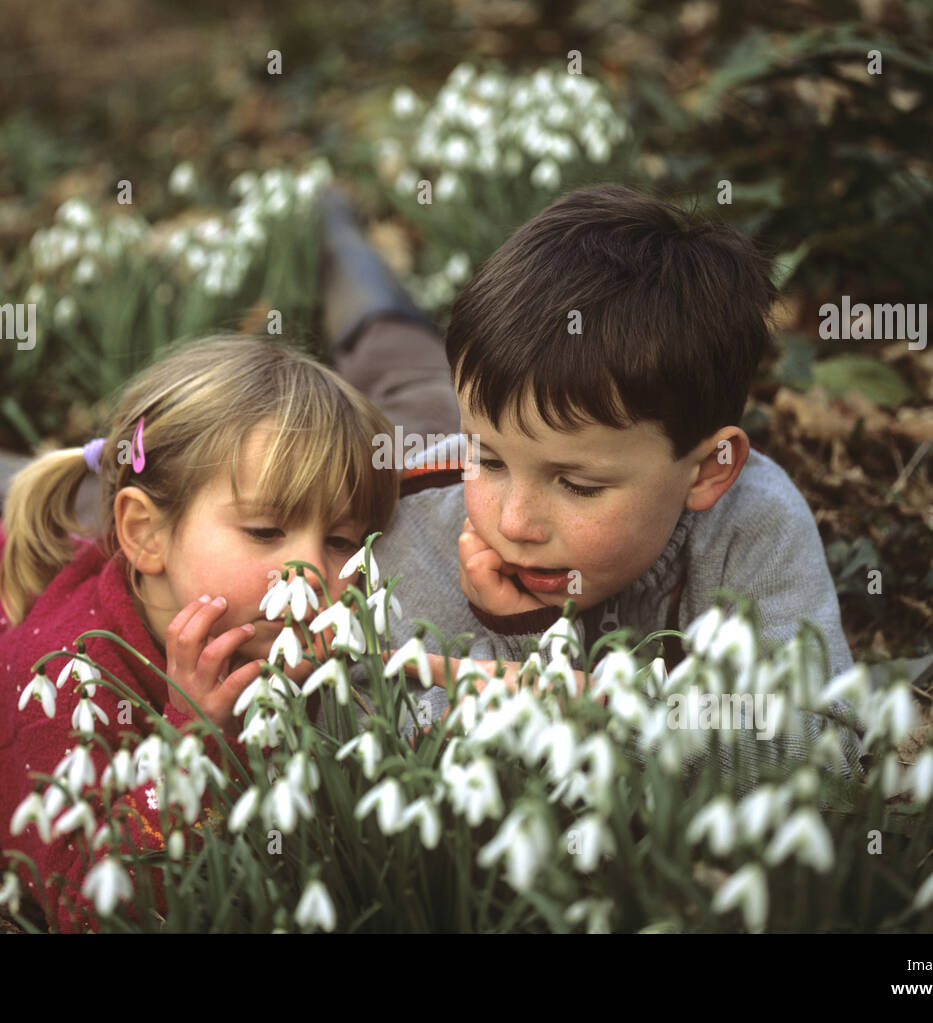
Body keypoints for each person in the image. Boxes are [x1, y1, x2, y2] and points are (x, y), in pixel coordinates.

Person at [0, 334, 399, 932]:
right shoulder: (64, 689)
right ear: (145, 535)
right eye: (266, 531)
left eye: (342, 541)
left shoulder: (255, 617)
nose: (313, 572)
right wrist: (197, 739)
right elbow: (92, 905)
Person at [316, 185, 865, 784]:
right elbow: (357, 718)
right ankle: (333, 228)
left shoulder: (753, 521)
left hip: (491, 413)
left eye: (577, 484)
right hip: (417, 425)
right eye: (491, 463)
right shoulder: (410, 526)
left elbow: (822, 748)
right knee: (384, 337)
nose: (513, 523)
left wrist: (563, 697)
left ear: (708, 470)